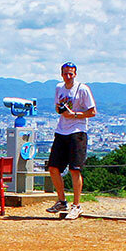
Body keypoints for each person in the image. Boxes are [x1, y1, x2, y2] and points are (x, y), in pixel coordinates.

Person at [45, 62, 96, 220]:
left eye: (71, 74)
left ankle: (76, 205)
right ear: (61, 74)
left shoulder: (82, 89)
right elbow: (57, 107)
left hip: (77, 131)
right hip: (61, 130)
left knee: (75, 169)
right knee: (53, 167)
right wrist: (62, 110)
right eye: (65, 73)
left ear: (75, 74)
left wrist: (74, 114)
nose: (68, 76)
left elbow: (92, 111)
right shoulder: (59, 88)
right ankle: (61, 200)